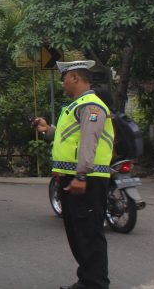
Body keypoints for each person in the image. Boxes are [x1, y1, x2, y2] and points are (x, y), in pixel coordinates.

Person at [34, 60, 114, 289]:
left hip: (88, 179)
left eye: (64, 78)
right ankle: (87, 280)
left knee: (88, 234)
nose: (63, 83)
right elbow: (71, 139)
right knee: (78, 234)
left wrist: (81, 177)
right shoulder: (78, 106)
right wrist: (48, 130)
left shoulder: (91, 106)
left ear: (76, 78)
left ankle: (95, 283)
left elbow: (89, 142)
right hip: (74, 177)